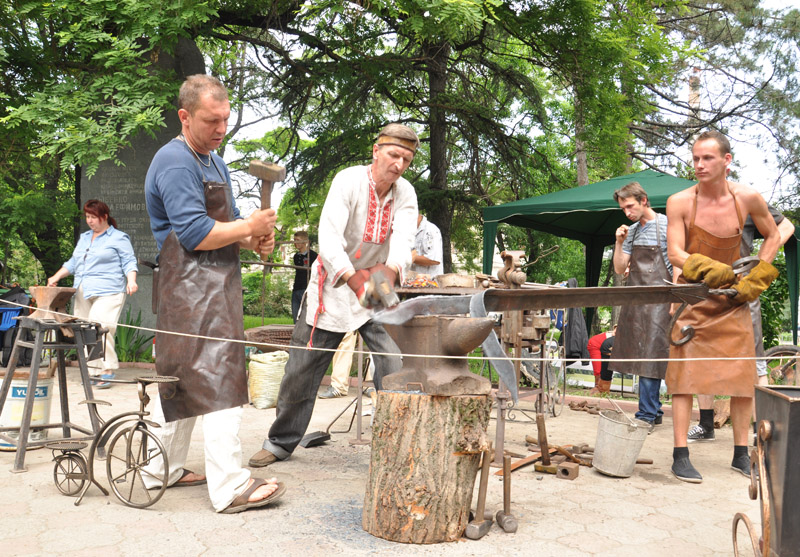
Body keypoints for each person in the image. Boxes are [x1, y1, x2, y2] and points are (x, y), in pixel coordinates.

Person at [142, 74, 283, 513]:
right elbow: (193, 232)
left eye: (225, 119)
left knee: (184, 384)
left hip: (213, 284)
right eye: (210, 121)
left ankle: (158, 471)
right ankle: (229, 487)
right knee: (221, 382)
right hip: (187, 287)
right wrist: (247, 228)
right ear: (185, 117)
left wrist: (252, 237)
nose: (220, 129)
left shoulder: (213, 161)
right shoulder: (175, 161)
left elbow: (230, 224)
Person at [248, 123, 419, 468]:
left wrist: (387, 271)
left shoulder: (406, 193)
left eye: (406, 158)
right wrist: (356, 282)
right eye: (393, 155)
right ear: (376, 151)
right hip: (335, 281)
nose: (399, 164)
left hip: (379, 280)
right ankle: (280, 442)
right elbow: (328, 239)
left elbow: (403, 241)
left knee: (393, 363)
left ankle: (394, 445)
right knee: (302, 369)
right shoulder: (348, 180)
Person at [665, 130, 780, 483]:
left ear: (726, 161)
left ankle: (741, 454)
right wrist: (708, 269)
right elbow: (675, 253)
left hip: (735, 301)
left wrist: (757, 274)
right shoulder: (679, 202)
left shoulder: (747, 198)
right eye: (696, 158)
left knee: (743, 380)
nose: (699, 165)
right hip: (694, 300)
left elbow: (774, 235)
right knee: (684, 379)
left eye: (707, 158)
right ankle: (680, 455)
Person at [687, 204, 795, 442]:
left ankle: (762, 431)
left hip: (743, 292)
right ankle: (706, 425)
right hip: (708, 294)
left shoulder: (746, 203)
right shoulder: (696, 205)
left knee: (754, 362)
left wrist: (759, 264)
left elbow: (786, 226)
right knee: (704, 362)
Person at [47, 199, 138, 389]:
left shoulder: (119, 238)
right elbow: (73, 262)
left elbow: (129, 262)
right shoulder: (84, 238)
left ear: (104, 217)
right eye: (87, 217)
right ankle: (94, 372)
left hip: (109, 290)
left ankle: (107, 371)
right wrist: (55, 276)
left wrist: (131, 280)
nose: (89, 221)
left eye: (93, 217)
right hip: (83, 289)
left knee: (100, 327)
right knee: (84, 330)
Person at [610, 182, 672, 429]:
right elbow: (618, 268)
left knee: (650, 355)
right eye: (623, 209)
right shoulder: (632, 232)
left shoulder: (668, 224)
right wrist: (618, 242)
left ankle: (646, 415)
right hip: (636, 299)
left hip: (660, 298)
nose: (627, 212)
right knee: (637, 352)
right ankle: (653, 410)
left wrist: (675, 299)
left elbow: (677, 262)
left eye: (630, 206)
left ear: (644, 200)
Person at [290, 230, 317, 322]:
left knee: (306, 317)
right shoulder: (296, 256)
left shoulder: (313, 255)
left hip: (307, 288)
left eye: (297, 240)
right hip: (296, 288)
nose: (295, 242)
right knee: (295, 316)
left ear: (305, 241)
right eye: (294, 240)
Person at [410, 213, 443, 277]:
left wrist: (406, 258)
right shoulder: (406, 232)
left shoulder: (431, 230)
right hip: (412, 283)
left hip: (431, 283)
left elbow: (434, 260)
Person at [586, 327, 615, 394]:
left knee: (602, 368)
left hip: (602, 343)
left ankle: (601, 389)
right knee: (598, 369)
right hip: (595, 344)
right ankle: (598, 388)